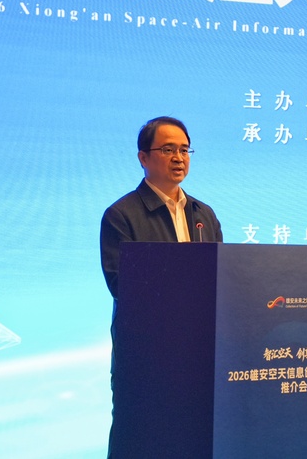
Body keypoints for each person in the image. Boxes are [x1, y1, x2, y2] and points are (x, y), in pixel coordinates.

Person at [99, 116, 223, 458]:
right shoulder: (121, 215)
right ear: (143, 157)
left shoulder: (204, 215)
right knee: (140, 441)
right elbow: (121, 285)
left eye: (184, 150)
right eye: (168, 149)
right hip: (146, 357)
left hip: (199, 354)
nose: (179, 158)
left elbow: (223, 279)